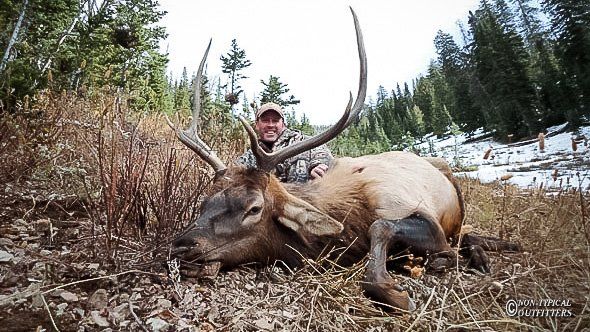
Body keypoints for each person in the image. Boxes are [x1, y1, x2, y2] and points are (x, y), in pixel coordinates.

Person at [236, 102, 333, 182]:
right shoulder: (251, 156)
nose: (270, 125)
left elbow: (322, 152)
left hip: (304, 200)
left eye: (275, 121)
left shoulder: (301, 141)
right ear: (257, 125)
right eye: (265, 120)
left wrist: (318, 165)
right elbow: (233, 173)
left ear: (283, 124)